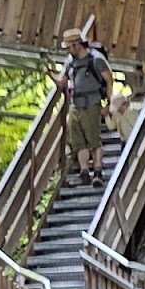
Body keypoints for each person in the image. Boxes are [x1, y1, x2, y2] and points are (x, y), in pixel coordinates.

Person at [59, 22, 112, 178]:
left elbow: (109, 79)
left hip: (92, 103)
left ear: (77, 45)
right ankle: (84, 171)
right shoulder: (70, 61)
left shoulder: (95, 59)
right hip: (76, 104)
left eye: (69, 47)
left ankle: (97, 170)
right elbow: (63, 81)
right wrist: (50, 74)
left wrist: (110, 103)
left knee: (94, 139)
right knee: (78, 140)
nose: (68, 51)